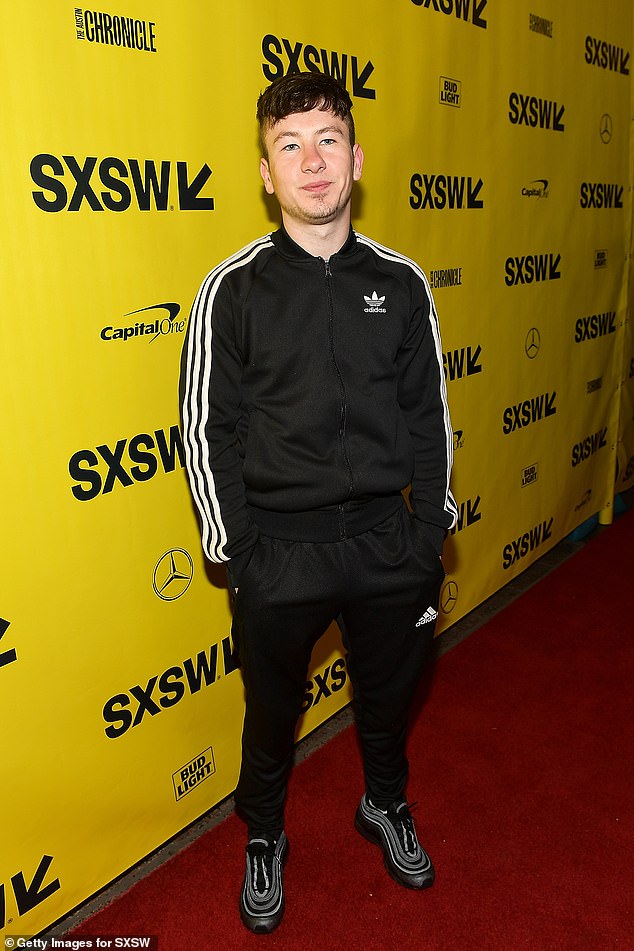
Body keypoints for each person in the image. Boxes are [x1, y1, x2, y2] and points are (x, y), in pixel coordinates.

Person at [180, 71, 457, 934]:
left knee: (388, 696)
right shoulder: (234, 288)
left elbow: (430, 416)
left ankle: (384, 801)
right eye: (289, 145)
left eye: (327, 139)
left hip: (387, 545)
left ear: (356, 158)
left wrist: (426, 533)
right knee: (271, 713)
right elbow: (206, 427)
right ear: (266, 173)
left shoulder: (403, 283)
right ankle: (264, 831)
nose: (311, 161)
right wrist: (237, 548)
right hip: (278, 551)